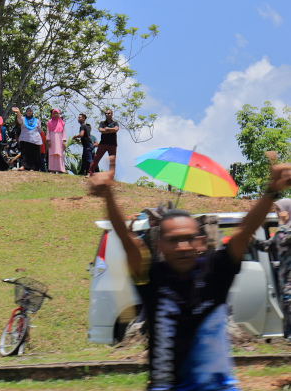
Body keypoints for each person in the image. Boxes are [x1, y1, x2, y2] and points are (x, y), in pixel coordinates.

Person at [88, 159, 291, 391]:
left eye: (188, 238)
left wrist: (272, 190)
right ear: (159, 245)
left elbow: (244, 231)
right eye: (173, 240)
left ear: (200, 242)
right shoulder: (152, 278)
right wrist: (108, 196)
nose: (182, 246)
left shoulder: (216, 272)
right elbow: (126, 239)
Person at [256, 198, 291, 339]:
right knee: (286, 307)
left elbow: (282, 240)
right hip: (284, 278)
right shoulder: (283, 230)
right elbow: (268, 245)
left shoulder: (286, 230)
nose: (277, 213)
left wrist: (281, 224)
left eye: (278, 210)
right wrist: (251, 239)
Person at [87, 109, 119, 176]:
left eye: (109, 113)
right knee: (96, 158)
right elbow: (101, 130)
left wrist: (106, 129)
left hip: (112, 144)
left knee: (112, 161)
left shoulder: (115, 123)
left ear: (112, 114)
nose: (107, 114)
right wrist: (111, 130)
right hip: (103, 144)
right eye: (106, 113)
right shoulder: (102, 123)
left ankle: (111, 176)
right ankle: (89, 173)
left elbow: (116, 129)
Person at [12, 106, 42, 171]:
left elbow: (39, 129)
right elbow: (19, 119)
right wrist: (18, 112)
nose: (29, 112)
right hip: (24, 139)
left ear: (32, 112)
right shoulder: (23, 119)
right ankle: (23, 166)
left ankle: (32, 167)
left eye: (30, 111)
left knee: (33, 154)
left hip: (34, 140)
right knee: (24, 153)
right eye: (27, 111)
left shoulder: (37, 121)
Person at [46, 109, 67, 173]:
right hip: (52, 140)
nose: (55, 115)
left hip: (59, 141)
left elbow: (64, 132)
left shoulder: (61, 122)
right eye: (54, 113)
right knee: (52, 154)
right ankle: (52, 169)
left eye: (56, 113)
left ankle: (60, 169)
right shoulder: (49, 122)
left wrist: (64, 140)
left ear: (58, 114)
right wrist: (48, 140)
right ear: (52, 114)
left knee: (59, 154)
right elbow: (48, 132)